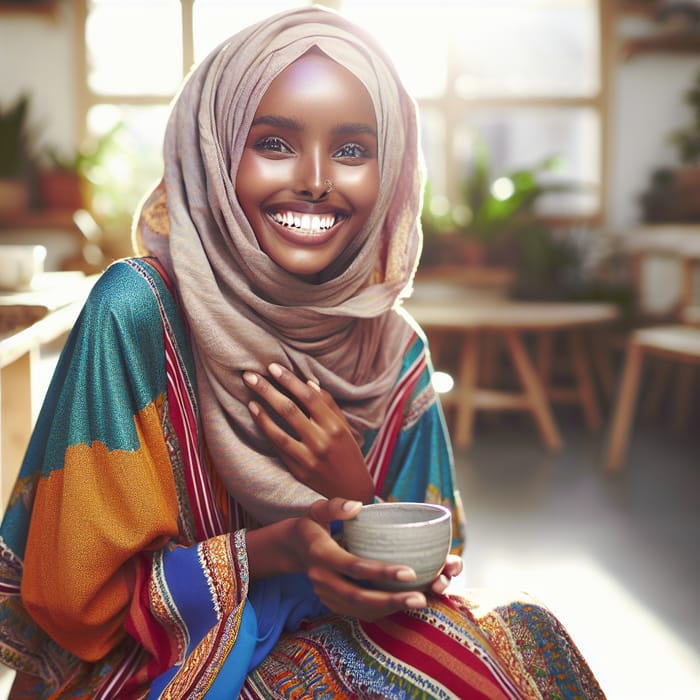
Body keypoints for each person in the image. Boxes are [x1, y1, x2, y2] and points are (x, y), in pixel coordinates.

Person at [0, 5, 605, 699]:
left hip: (337, 638)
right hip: (153, 668)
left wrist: (353, 497)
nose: (316, 178)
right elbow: (77, 599)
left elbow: (430, 581)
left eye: (351, 150)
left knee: (531, 638)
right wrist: (275, 550)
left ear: (394, 171)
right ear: (217, 151)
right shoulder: (137, 312)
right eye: (274, 143)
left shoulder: (394, 350)